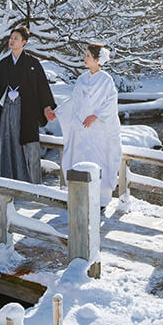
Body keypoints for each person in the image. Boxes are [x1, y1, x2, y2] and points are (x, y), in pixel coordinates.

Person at [47, 43, 121, 209]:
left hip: (98, 130)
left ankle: (100, 200)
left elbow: (111, 103)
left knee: (98, 161)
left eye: (88, 56)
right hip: (81, 130)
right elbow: (74, 101)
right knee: (79, 159)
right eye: (85, 55)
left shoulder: (106, 80)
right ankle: (80, 196)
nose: (84, 58)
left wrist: (95, 116)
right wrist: (57, 113)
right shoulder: (81, 79)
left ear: (97, 59)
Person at [0, 26, 56, 184]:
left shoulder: (32, 63)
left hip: (27, 111)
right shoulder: (4, 64)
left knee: (28, 146)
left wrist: (47, 107)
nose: (12, 40)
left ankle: (31, 185)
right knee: (7, 143)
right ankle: (7, 182)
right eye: (11, 38)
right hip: (7, 109)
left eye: (16, 38)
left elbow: (42, 87)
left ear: (24, 42)